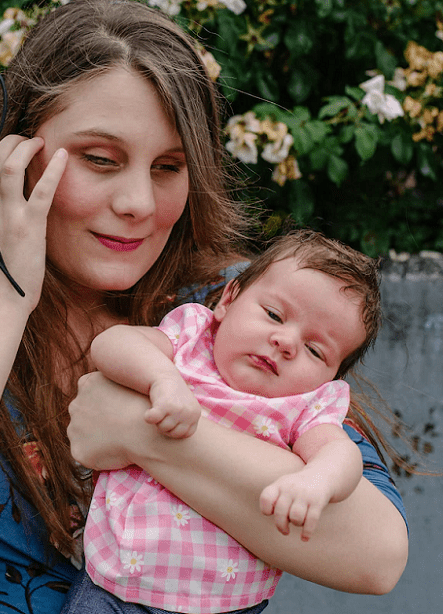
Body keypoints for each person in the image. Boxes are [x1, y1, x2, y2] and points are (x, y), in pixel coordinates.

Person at [0, 1, 408, 613]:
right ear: (11, 154)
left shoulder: (233, 315)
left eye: (169, 167)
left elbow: (376, 554)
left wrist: (145, 436)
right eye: (101, 159)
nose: (138, 202)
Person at [60, 230, 380, 614]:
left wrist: (318, 481)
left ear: (331, 377)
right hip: (114, 584)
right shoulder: (191, 338)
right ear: (229, 299)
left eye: (315, 350)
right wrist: (162, 378)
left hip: (226, 604)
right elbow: (112, 344)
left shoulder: (305, 406)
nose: (285, 341)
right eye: (274, 315)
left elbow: (340, 452)